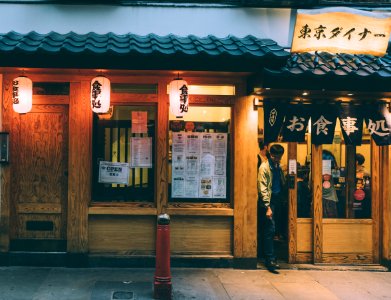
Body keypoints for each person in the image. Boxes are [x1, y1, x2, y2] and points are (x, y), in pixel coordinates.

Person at [258, 144, 286, 272]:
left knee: (274, 230)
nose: (277, 159)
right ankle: (270, 260)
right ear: (271, 155)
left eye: (279, 157)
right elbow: (262, 188)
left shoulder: (277, 166)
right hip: (269, 202)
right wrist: (267, 206)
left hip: (277, 199)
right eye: (275, 157)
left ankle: (270, 257)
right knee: (269, 229)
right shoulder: (264, 167)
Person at [322, 150, 339, 218]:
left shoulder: (314, 171)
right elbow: (337, 180)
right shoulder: (333, 172)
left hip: (320, 199)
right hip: (331, 199)